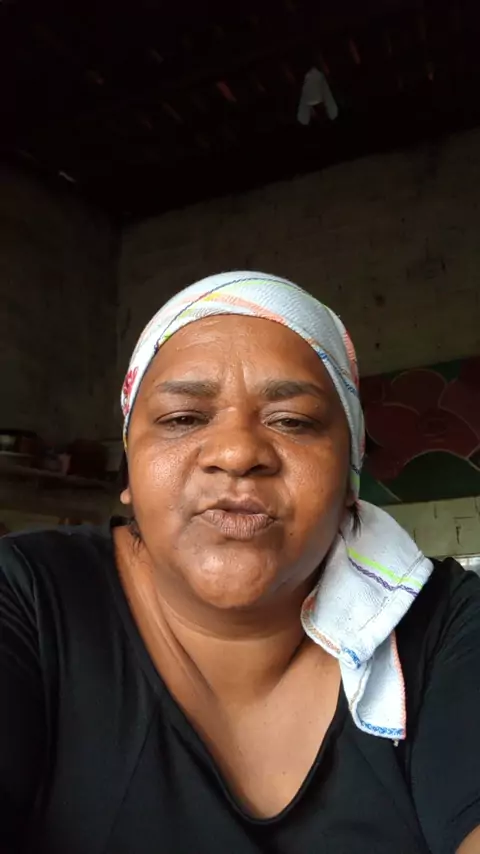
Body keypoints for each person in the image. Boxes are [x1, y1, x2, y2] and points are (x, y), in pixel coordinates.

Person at [1, 271, 480, 854]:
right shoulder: (26, 599)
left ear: (350, 478)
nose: (236, 453)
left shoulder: (445, 623)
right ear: (129, 471)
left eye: (292, 421)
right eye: (182, 418)